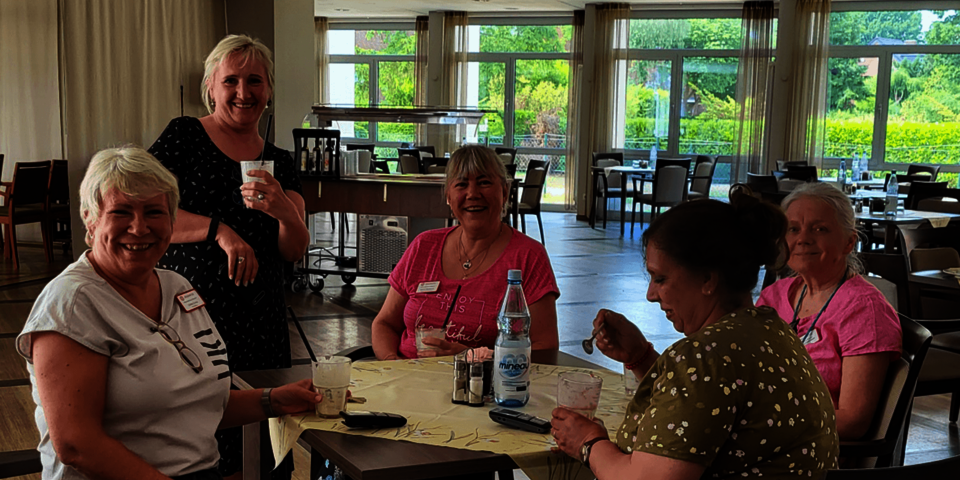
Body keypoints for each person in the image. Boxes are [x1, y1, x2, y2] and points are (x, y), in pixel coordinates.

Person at [16, 146, 320, 480]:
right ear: (89, 218)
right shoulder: (73, 304)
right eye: (121, 212)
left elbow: (194, 404)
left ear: (172, 219)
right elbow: (77, 445)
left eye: (154, 212)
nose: (139, 227)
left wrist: (274, 400)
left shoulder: (176, 286)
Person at [550, 194, 839, 479]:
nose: (651, 295)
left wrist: (588, 443)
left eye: (660, 279)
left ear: (707, 280)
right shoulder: (771, 331)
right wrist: (641, 357)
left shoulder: (706, 358)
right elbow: (708, 406)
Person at [148, 35, 309, 479]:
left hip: (260, 322)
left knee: (263, 438)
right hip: (192, 317)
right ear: (211, 86)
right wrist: (220, 231)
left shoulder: (280, 161)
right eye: (231, 80)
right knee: (198, 434)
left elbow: (294, 248)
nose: (243, 92)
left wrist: (283, 212)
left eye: (254, 80)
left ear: (269, 89)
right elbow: (147, 211)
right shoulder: (185, 136)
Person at [371, 145, 559, 360]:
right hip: (406, 381)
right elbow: (385, 323)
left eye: (484, 183)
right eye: (461, 184)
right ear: (449, 196)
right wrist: (391, 365)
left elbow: (545, 348)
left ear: (504, 191)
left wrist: (473, 358)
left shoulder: (528, 256)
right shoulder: (424, 245)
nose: (472, 194)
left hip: (482, 388)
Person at [757, 182, 901, 440]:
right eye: (793, 229)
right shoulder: (773, 297)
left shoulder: (864, 310)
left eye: (820, 229)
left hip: (813, 450)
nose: (803, 239)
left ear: (849, 242)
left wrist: (765, 427)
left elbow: (852, 421)